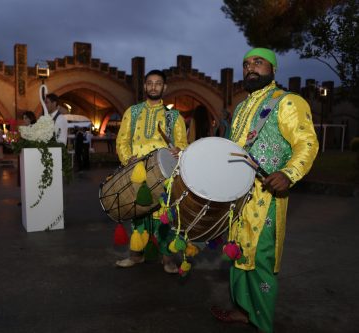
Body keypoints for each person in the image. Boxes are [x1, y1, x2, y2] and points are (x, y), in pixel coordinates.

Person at [210, 48, 319, 332]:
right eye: (246, 63)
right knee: (236, 255)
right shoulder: (242, 107)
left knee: (261, 260)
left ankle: (262, 322)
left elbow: (307, 143)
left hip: (267, 197)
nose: (250, 68)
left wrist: (288, 173)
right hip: (236, 196)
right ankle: (242, 310)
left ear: (273, 69)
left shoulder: (288, 102)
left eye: (258, 62)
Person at [115, 69, 188, 273]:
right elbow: (122, 140)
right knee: (137, 214)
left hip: (164, 176)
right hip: (137, 172)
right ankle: (135, 255)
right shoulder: (133, 112)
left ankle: (167, 259)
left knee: (164, 217)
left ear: (164, 88)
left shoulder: (174, 116)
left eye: (158, 83)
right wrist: (128, 159)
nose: (154, 86)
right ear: (145, 86)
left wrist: (178, 150)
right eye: (150, 83)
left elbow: (182, 144)